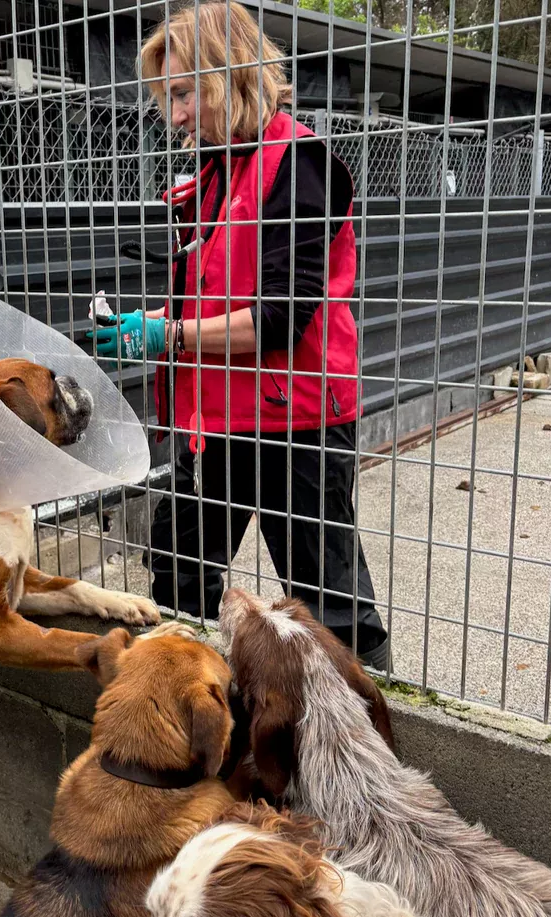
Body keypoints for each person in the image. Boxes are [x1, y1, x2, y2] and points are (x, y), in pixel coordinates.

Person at [90, 1, 389, 671]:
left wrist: (166, 334)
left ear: (230, 77)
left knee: (329, 605)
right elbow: (215, 289)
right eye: (167, 98)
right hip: (217, 418)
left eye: (183, 94)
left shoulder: (297, 163)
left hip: (297, 421)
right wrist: (149, 327)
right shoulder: (219, 171)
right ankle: (199, 698)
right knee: (177, 569)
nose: (173, 117)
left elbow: (281, 317)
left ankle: (375, 715)